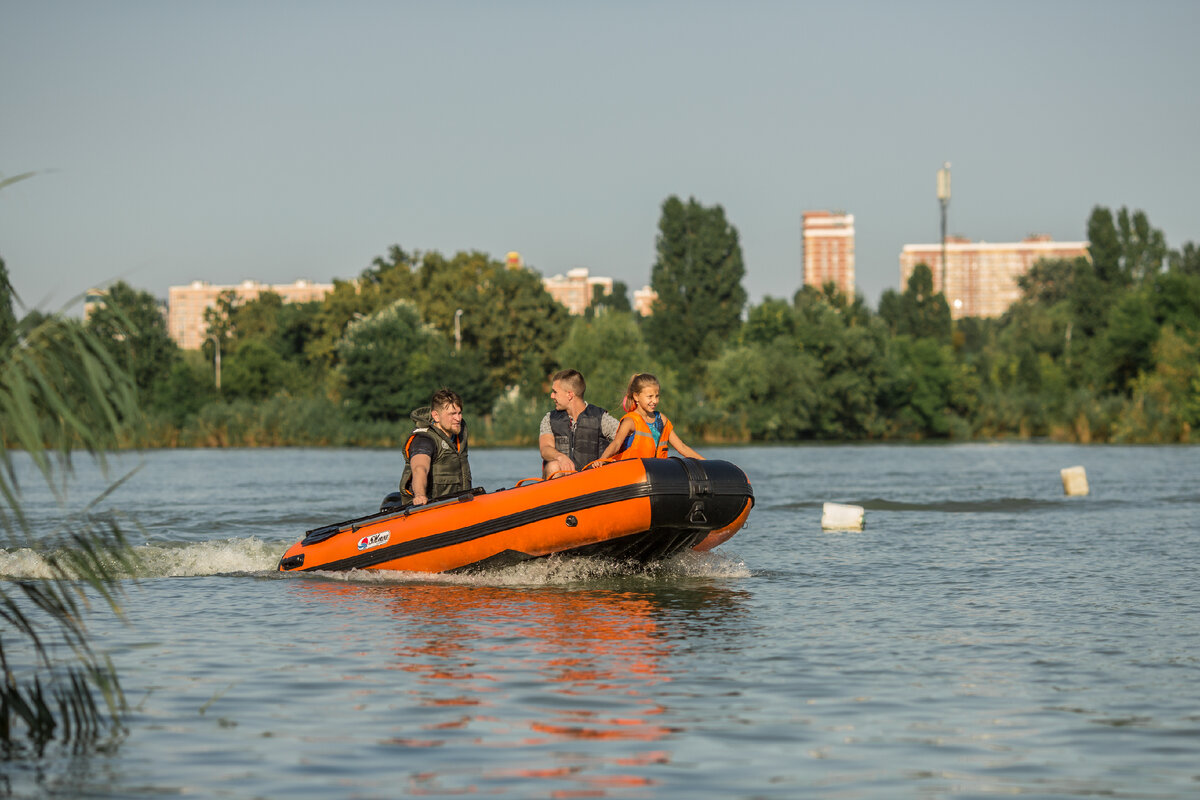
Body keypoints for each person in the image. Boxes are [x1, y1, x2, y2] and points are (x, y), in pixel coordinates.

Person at [600, 372, 703, 461]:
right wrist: (602, 460)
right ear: (636, 396)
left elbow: (681, 447)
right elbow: (616, 444)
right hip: (633, 472)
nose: (655, 401)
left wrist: (706, 462)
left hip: (656, 472)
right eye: (650, 397)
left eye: (657, 396)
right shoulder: (630, 421)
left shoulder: (661, 419)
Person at [538, 368, 620, 478]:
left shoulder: (601, 418)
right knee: (553, 466)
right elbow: (545, 449)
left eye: (555, 392)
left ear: (569, 395)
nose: (552, 396)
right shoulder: (549, 418)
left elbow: (623, 438)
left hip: (594, 482)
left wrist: (605, 459)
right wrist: (560, 457)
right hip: (562, 483)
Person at [398, 389, 472, 506]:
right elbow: (420, 468)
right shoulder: (424, 440)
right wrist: (420, 495)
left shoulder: (459, 437)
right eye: (452, 414)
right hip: (432, 510)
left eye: (459, 413)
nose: (458, 419)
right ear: (436, 416)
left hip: (458, 506)